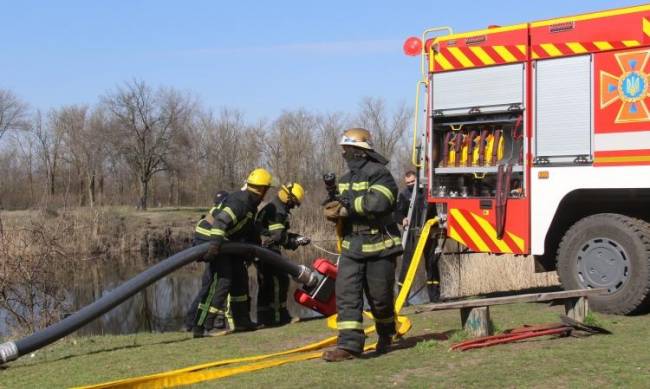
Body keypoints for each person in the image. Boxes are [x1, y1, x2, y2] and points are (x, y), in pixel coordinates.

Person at [322, 128, 403, 361]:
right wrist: (331, 209)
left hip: (380, 246)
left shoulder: (380, 174)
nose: (344, 153)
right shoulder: (346, 179)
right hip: (351, 246)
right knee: (347, 295)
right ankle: (349, 346)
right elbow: (337, 203)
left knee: (380, 298)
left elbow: (379, 202)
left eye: (347, 149)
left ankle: (386, 335)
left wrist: (347, 209)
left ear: (359, 151)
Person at [190, 168, 273, 337]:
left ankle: (242, 321)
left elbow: (249, 229)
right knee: (222, 281)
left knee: (240, 277)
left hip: (226, 241)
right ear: (262, 189)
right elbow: (220, 222)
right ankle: (203, 326)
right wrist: (214, 247)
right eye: (267, 190)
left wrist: (253, 249)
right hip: (210, 237)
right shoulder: (240, 202)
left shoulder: (250, 205)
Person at [254, 182, 311, 327]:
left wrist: (297, 237)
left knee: (266, 284)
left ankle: (264, 318)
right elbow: (279, 237)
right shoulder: (278, 211)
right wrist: (294, 241)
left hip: (260, 250)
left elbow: (278, 234)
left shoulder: (276, 207)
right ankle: (280, 318)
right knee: (280, 281)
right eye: (294, 203)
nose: (294, 206)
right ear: (288, 197)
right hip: (267, 251)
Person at [185, 190, 229, 331]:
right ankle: (195, 322)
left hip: (211, 251)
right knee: (210, 288)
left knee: (210, 288)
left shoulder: (213, 213)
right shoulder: (220, 213)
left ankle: (197, 322)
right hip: (211, 250)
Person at [395, 170, 441, 303]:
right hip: (411, 235)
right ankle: (402, 298)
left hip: (429, 233)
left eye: (412, 182)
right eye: (408, 183)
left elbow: (437, 210)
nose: (410, 184)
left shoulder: (428, 193)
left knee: (432, 263)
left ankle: (435, 297)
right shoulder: (404, 195)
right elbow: (397, 213)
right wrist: (402, 219)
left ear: (418, 180)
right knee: (407, 265)